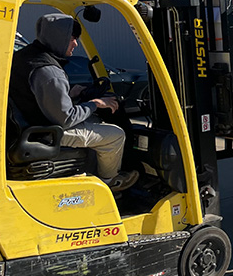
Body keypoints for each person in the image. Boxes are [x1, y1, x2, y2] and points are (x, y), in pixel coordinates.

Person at [9, 13, 138, 192]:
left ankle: (92, 171)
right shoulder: (50, 71)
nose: (75, 44)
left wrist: (70, 94)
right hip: (47, 131)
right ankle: (110, 183)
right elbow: (66, 119)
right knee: (115, 134)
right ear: (59, 38)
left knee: (94, 123)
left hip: (28, 123)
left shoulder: (25, 57)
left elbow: (37, 96)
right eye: (72, 39)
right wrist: (95, 103)